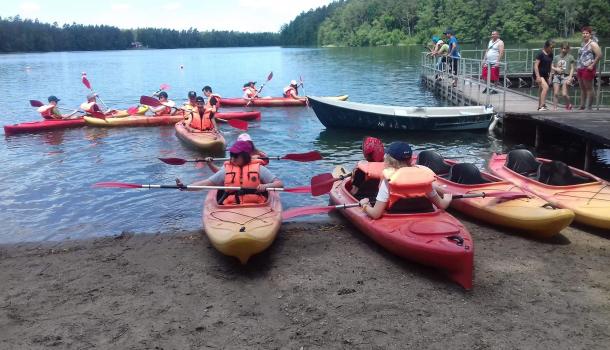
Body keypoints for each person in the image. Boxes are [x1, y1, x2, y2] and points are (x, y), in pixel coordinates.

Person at [358, 142, 452, 219]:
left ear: (389, 159)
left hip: (396, 216)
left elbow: (376, 214)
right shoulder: (423, 178)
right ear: (411, 159)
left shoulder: (389, 180)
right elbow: (442, 205)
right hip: (425, 215)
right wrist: (447, 198)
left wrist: (365, 204)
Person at [179, 140, 283, 205]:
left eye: (236, 156)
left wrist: (267, 185)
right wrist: (186, 187)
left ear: (246, 156)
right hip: (232, 206)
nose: (232, 159)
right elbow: (206, 183)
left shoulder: (259, 168)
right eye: (231, 156)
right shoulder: (226, 170)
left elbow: (279, 184)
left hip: (256, 204)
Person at [576, 26, 602, 110]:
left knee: (589, 88)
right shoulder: (583, 43)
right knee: (582, 88)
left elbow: (599, 55)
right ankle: (582, 105)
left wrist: (592, 65)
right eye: (583, 33)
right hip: (580, 68)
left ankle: (589, 106)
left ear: (590, 35)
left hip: (588, 68)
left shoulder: (593, 44)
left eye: (587, 33)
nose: (585, 35)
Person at [551, 42, 575, 110]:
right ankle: (555, 107)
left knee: (564, 93)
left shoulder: (570, 57)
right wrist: (556, 69)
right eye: (563, 48)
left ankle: (569, 104)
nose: (564, 50)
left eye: (566, 49)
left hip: (566, 76)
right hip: (557, 76)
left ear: (568, 49)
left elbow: (572, 68)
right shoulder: (556, 57)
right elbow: (552, 66)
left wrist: (570, 77)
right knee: (556, 93)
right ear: (560, 49)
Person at [533, 40, 555, 111]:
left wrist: (550, 76)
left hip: (545, 74)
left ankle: (540, 105)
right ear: (546, 46)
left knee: (541, 89)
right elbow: (536, 65)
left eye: (553, 47)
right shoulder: (541, 54)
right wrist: (538, 76)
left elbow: (551, 65)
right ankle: (542, 106)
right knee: (545, 87)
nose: (552, 49)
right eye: (551, 47)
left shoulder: (551, 54)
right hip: (539, 74)